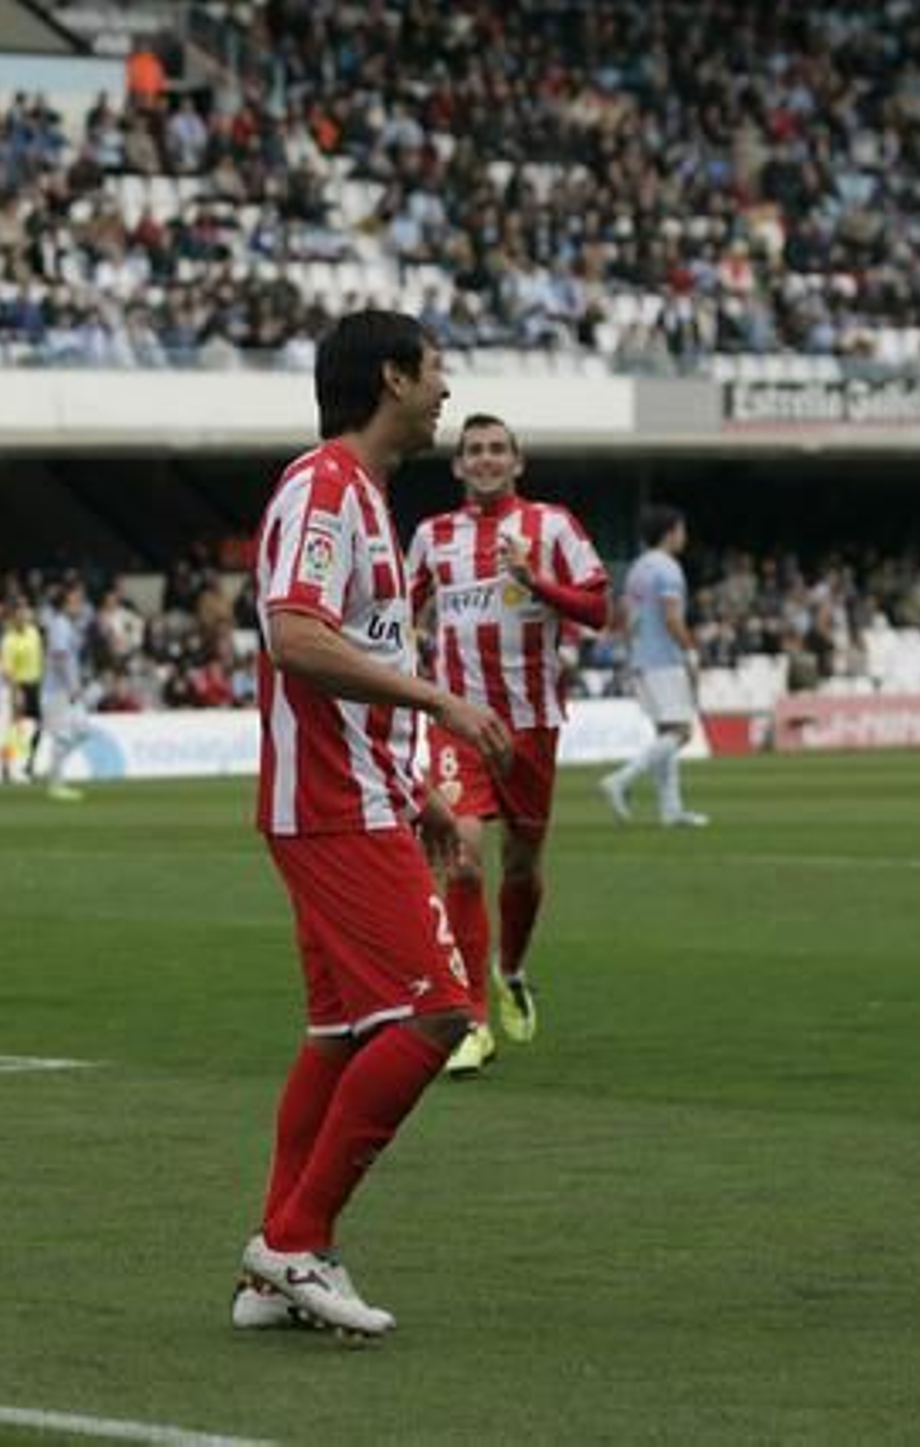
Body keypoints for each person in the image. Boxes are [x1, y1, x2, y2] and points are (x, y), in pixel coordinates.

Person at [231, 309, 513, 1340]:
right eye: (436, 371)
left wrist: (421, 788)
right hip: (328, 799)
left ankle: (271, 1270)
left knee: (343, 1031)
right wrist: (435, 705)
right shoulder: (323, 487)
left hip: (360, 787)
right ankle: (295, 1241)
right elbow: (294, 634)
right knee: (439, 1009)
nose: (445, 392)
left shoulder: (368, 500)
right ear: (392, 379)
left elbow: (343, 667)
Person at [407, 413, 609, 1052]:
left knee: (521, 863)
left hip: (531, 726)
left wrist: (535, 582)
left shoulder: (553, 526)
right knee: (462, 858)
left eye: (498, 450)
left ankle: (510, 971)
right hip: (458, 721)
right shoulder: (432, 537)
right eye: (475, 451)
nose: (487, 459)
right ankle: (471, 1021)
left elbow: (599, 610)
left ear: (518, 462)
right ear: (458, 465)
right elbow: (402, 618)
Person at [600, 504, 709, 826]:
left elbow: (623, 617)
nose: (684, 536)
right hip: (665, 660)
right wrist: (691, 651)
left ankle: (671, 809)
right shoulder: (668, 569)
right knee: (682, 732)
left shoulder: (637, 569)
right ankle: (620, 780)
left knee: (665, 731)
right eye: (682, 529)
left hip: (640, 660)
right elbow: (672, 617)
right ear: (671, 532)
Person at [38, 583, 91, 802]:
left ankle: (52, 770)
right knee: (63, 735)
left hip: (67, 691)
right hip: (57, 691)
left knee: (82, 730)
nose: (79, 604)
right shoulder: (60, 625)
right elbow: (60, 658)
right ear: (65, 604)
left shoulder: (68, 625)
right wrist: (71, 687)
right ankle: (55, 784)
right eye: (75, 600)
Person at [0, 600, 43, 783]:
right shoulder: (8, 640)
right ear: (14, 618)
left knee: (39, 726)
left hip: (34, 684)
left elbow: (39, 658)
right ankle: (6, 766)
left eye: (26, 614)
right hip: (19, 686)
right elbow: (7, 671)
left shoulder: (34, 633)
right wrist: (17, 692)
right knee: (14, 730)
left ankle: (29, 763)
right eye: (20, 615)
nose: (23, 617)